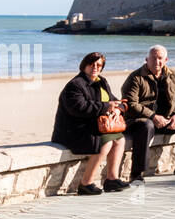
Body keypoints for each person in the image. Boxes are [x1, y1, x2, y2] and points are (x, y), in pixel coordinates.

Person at [51, 52, 130, 194]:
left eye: (99, 65)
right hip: (73, 130)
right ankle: (85, 183)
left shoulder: (101, 82)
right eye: (91, 64)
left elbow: (116, 101)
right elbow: (79, 108)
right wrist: (107, 107)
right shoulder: (75, 85)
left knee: (119, 139)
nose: (95, 67)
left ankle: (112, 179)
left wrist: (119, 109)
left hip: (91, 126)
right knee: (106, 141)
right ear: (84, 66)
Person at [122, 45, 175, 182]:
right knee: (147, 125)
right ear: (146, 59)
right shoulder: (136, 77)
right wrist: (153, 116)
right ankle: (136, 173)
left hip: (166, 120)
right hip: (139, 120)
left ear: (166, 60)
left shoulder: (172, 75)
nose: (157, 61)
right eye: (153, 58)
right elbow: (131, 103)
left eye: (160, 58)